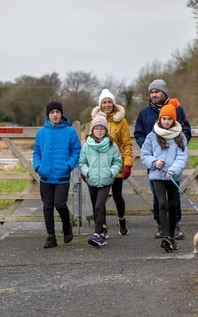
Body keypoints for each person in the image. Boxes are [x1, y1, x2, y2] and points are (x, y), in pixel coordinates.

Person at [134, 79, 191, 239]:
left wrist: (177, 143)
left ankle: (175, 226)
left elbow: (186, 129)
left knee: (174, 199)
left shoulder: (178, 110)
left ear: (164, 92)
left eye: (157, 91)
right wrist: (151, 150)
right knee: (158, 198)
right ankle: (161, 225)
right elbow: (139, 133)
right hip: (155, 165)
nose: (154, 94)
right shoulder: (144, 113)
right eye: (152, 92)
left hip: (174, 165)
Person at [140, 102, 188, 251]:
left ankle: (172, 236)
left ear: (173, 120)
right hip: (157, 176)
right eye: (164, 119)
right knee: (162, 203)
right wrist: (154, 162)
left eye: (169, 119)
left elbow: (182, 157)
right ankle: (166, 235)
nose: (166, 122)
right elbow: (144, 155)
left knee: (173, 204)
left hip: (173, 176)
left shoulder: (180, 137)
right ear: (159, 119)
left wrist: (173, 170)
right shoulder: (151, 136)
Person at [33, 101, 81, 248]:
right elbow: (36, 152)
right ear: (48, 114)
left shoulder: (70, 132)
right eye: (52, 112)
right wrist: (38, 166)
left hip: (62, 176)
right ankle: (51, 236)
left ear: (61, 114)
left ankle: (67, 227)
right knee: (47, 206)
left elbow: (76, 150)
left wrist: (68, 165)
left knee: (60, 204)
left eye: (57, 112)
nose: (55, 115)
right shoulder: (41, 133)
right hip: (45, 176)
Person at [90, 89, 133, 236]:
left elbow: (126, 144)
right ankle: (102, 226)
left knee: (117, 195)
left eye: (109, 102)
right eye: (104, 102)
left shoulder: (121, 121)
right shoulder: (94, 121)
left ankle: (122, 220)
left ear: (113, 104)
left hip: (115, 164)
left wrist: (127, 163)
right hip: (98, 165)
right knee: (99, 200)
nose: (107, 105)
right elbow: (90, 143)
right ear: (100, 105)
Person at [79, 111, 122, 247]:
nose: (99, 130)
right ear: (92, 130)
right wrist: (87, 172)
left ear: (106, 130)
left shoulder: (112, 145)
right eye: (97, 128)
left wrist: (111, 172)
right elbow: (82, 162)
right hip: (92, 180)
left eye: (102, 128)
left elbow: (117, 162)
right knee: (96, 207)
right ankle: (102, 231)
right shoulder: (87, 146)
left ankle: (97, 235)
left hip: (105, 180)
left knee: (99, 206)